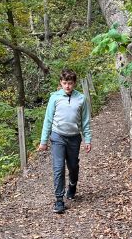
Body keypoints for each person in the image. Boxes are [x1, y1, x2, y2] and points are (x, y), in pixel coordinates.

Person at [37, 68, 92, 214]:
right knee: (58, 167)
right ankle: (59, 200)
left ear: (74, 84)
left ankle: (72, 184)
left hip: (74, 137)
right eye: (65, 83)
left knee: (73, 166)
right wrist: (43, 141)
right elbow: (48, 120)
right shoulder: (54, 98)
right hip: (58, 136)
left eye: (70, 83)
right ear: (61, 83)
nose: (67, 86)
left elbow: (85, 121)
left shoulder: (81, 99)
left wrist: (88, 139)